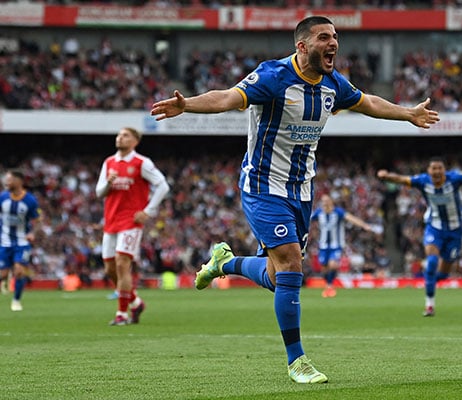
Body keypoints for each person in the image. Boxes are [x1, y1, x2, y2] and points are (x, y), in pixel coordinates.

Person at [150, 15, 439, 384]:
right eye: (323, 37)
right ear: (302, 46)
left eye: (335, 36)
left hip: (301, 191)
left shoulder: (333, 84)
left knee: (276, 277)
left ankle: (224, 262)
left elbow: (367, 102)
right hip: (263, 185)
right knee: (290, 266)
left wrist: (408, 113)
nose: (333, 43)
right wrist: (186, 104)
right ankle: (296, 360)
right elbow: (227, 97)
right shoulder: (273, 77)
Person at [377, 155, 462, 316]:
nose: (437, 171)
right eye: (434, 168)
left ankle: (429, 282)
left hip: (455, 230)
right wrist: (386, 176)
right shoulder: (423, 181)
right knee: (431, 262)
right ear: (429, 171)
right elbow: (403, 180)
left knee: (443, 274)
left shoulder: (454, 179)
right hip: (434, 227)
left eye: (440, 168)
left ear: (444, 170)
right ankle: (429, 305)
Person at [95, 127, 170, 326]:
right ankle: (135, 302)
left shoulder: (141, 163)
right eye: (119, 135)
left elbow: (162, 185)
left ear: (135, 141)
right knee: (110, 268)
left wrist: (148, 211)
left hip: (131, 221)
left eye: (125, 135)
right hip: (111, 220)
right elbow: (99, 192)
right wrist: (108, 183)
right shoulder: (109, 162)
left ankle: (122, 314)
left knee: (122, 263)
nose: (120, 138)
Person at [310, 194, 377, 297]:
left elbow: (351, 218)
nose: (325, 203)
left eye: (326, 201)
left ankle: (329, 285)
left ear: (331, 201)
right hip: (323, 245)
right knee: (323, 268)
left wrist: (364, 225)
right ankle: (328, 285)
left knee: (333, 265)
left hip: (336, 245)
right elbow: (307, 219)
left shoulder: (338, 212)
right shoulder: (319, 213)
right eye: (323, 201)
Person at [0, 170, 40, 311]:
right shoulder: (3, 197)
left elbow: (36, 220)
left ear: (19, 181)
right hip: (4, 241)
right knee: (2, 274)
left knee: (19, 271)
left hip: (22, 242)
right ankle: (4, 281)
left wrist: (32, 233)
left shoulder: (30, 200)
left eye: (9, 180)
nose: (6, 182)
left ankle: (16, 300)